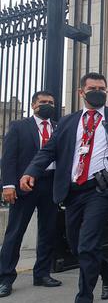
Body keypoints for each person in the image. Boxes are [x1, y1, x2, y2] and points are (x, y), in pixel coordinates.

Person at [20, 72, 108, 303]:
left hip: (101, 189)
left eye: (102, 88)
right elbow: (48, 150)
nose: (98, 92)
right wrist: (31, 171)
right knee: (77, 245)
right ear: (81, 92)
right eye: (93, 88)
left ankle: (84, 297)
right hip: (72, 190)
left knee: (88, 243)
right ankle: (106, 270)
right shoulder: (68, 122)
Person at [0, 91, 61, 297]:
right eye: (43, 102)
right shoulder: (19, 127)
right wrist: (8, 185)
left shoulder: (59, 128)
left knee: (47, 231)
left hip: (51, 184)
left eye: (51, 103)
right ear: (33, 104)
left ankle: (42, 274)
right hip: (24, 186)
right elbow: (8, 158)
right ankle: (5, 277)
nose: (47, 105)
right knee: (15, 232)